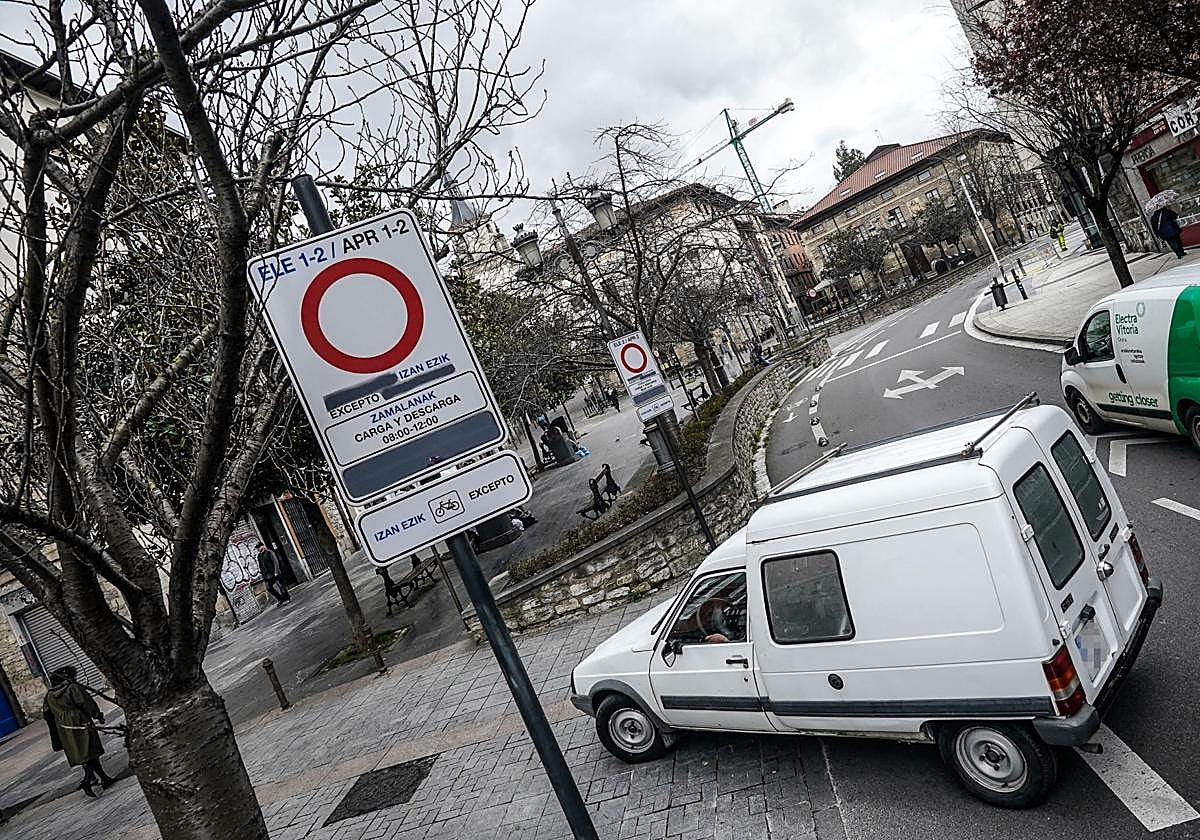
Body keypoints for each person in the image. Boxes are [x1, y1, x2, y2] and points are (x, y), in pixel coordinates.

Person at [43, 667, 115, 798]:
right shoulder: (72, 688)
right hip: (80, 722)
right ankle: (87, 781)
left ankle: (105, 778)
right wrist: (97, 715)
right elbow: (86, 702)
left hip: (64, 728)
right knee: (90, 751)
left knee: (86, 754)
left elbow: (47, 714)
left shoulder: (49, 696)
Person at [256, 542, 291, 606]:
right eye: (257, 548)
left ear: (263, 546)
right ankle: (280, 599)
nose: (258, 549)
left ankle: (287, 598)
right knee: (269, 588)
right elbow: (261, 566)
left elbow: (276, 562)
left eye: (259, 547)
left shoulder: (269, 552)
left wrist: (276, 571)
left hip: (275, 573)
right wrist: (263, 575)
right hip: (268, 576)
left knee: (281, 586)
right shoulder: (259, 556)